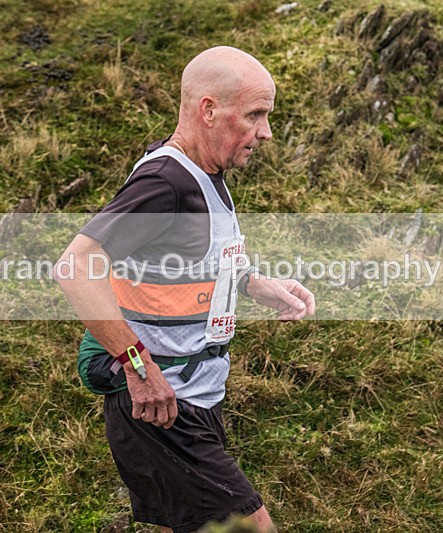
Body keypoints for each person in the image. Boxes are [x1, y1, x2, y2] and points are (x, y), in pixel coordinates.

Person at [54, 46, 315, 533]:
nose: (266, 132)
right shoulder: (166, 183)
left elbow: (185, 258)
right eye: (255, 115)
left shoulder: (202, 171)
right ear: (209, 109)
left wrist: (256, 284)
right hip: (160, 406)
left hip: (191, 400)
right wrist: (139, 367)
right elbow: (75, 267)